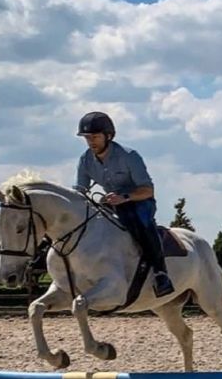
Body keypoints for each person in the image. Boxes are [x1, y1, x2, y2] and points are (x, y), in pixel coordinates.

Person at [75, 111, 175, 298]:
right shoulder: (85, 159)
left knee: (139, 221)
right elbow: (80, 190)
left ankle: (161, 274)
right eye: (87, 138)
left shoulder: (129, 156)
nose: (91, 142)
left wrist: (125, 197)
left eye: (95, 137)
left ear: (108, 136)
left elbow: (148, 190)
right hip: (112, 202)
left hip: (139, 201)